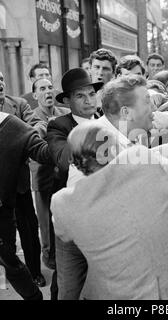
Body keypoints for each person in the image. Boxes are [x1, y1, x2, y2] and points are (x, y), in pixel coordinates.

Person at [51, 76, 168, 299]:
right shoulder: (109, 147)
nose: (153, 108)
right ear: (126, 113)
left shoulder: (122, 133)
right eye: (146, 101)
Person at [46, 68, 104, 300]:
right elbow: (62, 160)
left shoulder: (107, 121)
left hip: (103, 216)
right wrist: (91, 130)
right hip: (70, 219)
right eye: (80, 96)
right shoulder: (58, 125)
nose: (89, 100)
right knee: (67, 287)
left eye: (91, 93)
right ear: (68, 101)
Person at [0, 70, 48, 287]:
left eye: (1, 78)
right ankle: (13, 275)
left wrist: (21, 138)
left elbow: (37, 124)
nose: (0, 83)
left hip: (18, 182)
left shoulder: (18, 104)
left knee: (28, 229)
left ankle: (34, 273)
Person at [29, 78, 69, 270]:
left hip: (64, 174)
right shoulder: (32, 117)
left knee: (62, 217)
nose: (48, 92)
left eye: (50, 87)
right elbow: (35, 134)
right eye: (42, 89)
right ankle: (48, 256)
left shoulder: (64, 113)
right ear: (35, 95)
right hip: (43, 175)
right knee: (45, 220)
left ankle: (62, 255)